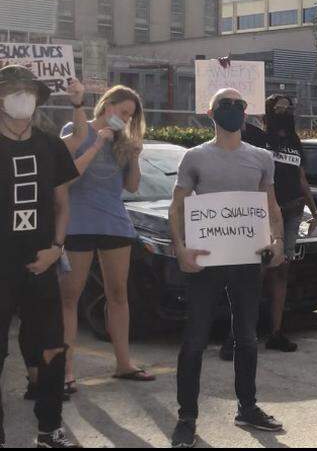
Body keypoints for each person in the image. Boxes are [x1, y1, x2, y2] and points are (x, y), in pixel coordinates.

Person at [168, 89, 286, 448]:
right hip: (207, 259)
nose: (233, 110)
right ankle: (187, 416)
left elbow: (271, 206)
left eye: (238, 105)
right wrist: (181, 249)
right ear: (210, 112)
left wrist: (278, 242)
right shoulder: (194, 157)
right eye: (225, 105)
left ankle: (246, 407)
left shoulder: (262, 157)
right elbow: (176, 208)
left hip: (247, 260)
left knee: (247, 337)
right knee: (195, 339)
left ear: (246, 112)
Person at [0, 66, 81, 449]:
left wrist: (57, 248)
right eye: (13, 89)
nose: (21, 96)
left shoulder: (50, 144)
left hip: (43, 262)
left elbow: (62, 203)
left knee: (51, 347)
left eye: (27, 90)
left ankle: (50, 429)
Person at [57, 83, 154, 393]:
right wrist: (97, 143)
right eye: (122, 112)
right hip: (78, 223)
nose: (124, 119)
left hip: (114, 223)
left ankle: (124, 363)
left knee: (118, 294)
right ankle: (66, 370)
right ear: (107, 105)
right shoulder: (77, 128)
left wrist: (135, 155)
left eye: (130, 116)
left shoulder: (124, 141)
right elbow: (66, 176)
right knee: (70, 295)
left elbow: (134, 187)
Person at [239, 94, 317, 354]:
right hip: (264, 213)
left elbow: (299, 176)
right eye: (278, 108)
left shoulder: (294, 142)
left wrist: (313, 208)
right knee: (259, 271)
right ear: (267, 112)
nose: (284, 112)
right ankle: (245, 334)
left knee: (281, 270)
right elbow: (234, 124)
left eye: (288, 108)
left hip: (292, 212)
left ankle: (276, 332)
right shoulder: (257, 138)